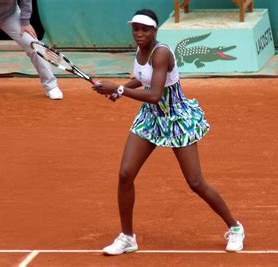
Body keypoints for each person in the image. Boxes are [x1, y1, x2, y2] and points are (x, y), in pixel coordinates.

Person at [92, 9, 245, 256]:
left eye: (145, 30)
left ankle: (235, 227)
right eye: (136, 29)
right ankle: (127, 237)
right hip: (151, 119)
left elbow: (154, 95)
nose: (139, 34)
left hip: (176, 118)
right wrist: (117, 88)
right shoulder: (140, 50)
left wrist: (119, 89)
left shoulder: (161, 53)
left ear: (155, 31)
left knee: (195, 182)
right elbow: (141, 79)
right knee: (125, 174)